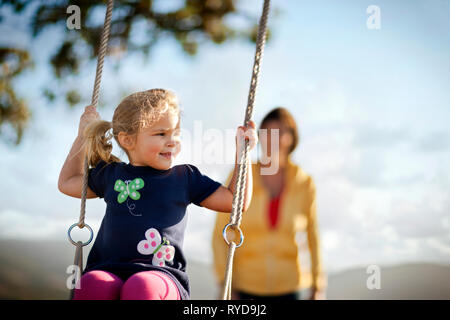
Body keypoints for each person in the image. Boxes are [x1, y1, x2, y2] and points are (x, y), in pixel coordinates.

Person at [58, 89, 258, 300]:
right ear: (128, 140)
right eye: (161, 134)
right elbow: (68, 182)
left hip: (162, 277)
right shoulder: (112, 175)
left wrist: (243, 154)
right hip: (109, 269)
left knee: (141, 286)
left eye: (176, 133)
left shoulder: (185, 178)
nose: (172, 141)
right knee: (92, 284)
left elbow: (236, 202)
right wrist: (82, 136)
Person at [212, 107, 326, 300]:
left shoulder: (305, 183)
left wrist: (318, 285)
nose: (273, 140)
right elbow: (220, 233)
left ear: (292, 139)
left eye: (280, 133)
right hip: (244, 289)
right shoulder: (241, 174)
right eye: (267, 133)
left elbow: (313, 236)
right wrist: (225, 283)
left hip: (291, 288)